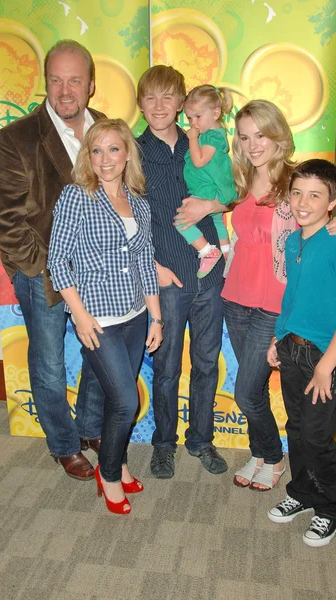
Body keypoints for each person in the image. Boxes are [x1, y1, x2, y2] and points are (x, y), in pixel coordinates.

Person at [175, 99, 336, 491]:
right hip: (235, 297)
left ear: (278, 136)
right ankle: (259, 451)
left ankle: (272, 456)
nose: (254, 144)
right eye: (244, 136)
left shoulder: (294, 180)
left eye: (261, 135)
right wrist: (208, 203)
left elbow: (323, 205)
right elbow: (231, 202)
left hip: (275, 305)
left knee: (245, 392)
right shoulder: (237, 176)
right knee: (251, 389)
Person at [0, 40, 107, 480]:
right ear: (45, 83)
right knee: (50, 362)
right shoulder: (15, 139)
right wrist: (43, 269)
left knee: (100, 355)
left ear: (91, 84)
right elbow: (3, 218)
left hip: (102, 272)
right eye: (56, 79)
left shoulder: (109, 131)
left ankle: (91, 427)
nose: (65, 89)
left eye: (75, 79)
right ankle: (62, 443)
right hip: (44, 275)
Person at [48, 118, 162, 514]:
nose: (105, 158)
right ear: (88, 157)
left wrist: (157, 318)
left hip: (134, 315)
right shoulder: (77, 196)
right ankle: (109, 474)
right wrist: (78, 316)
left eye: (113, 149)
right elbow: (57, 262)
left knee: (118, 398)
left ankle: (120, 461)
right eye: (96, 150)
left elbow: (145, 262)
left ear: (127, 153)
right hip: (97, 319)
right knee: (125, 402)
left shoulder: (139, 203)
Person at [137, 65, 228, 479]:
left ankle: (201, 439)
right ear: (140, 103)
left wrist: (212, 206)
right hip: (168, 278)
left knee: (206, 363)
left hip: (210, 273)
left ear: (182, 102)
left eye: (168, 97)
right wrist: (152, 266)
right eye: (151, 97)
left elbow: (235, 188)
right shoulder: (132, 151)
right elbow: (125, 219)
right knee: (167, 368)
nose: (160, 106)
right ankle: (163, 443)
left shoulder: (207, 138)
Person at [267, 159, 336, 547]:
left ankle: (330, 508)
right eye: (297, 192)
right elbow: (292, 297)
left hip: (326, 357)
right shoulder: (293, 239)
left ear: (333, 201)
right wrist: (277, 337)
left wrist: (325, 368)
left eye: (315, 195)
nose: (303, 202)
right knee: (297, 429)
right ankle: (301, 494)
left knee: (317, 436)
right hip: (291, 349)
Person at [180, 84, 237, 277]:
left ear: (215, 113)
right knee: (218, 221)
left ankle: (207, 251)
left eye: (197, 116)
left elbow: (199, 161)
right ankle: (227, 254)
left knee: (181, 220)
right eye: (189, 117)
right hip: (209, 188)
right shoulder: (213, 134)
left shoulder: (212, 137)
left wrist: (192, 139)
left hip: (205, 190)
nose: (193, 123)